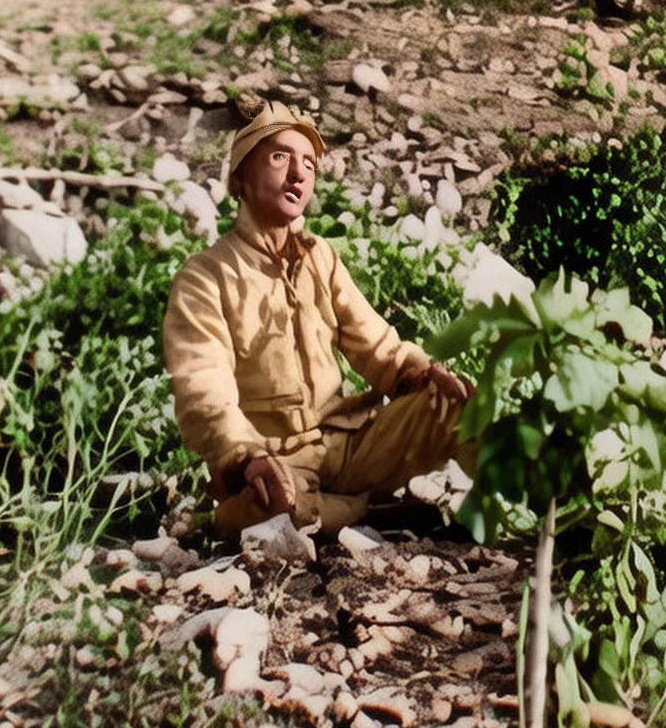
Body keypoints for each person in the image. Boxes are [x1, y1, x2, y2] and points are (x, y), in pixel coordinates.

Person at [163, 101, 474, 535]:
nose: (298, 174)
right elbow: (203, 390)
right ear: (240, 176)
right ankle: (367, 512)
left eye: (308, 164)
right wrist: (247, 458)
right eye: (280, 157)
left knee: (456, 404)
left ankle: (545, 511)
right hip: (276, 462)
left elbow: (379, 348)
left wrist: (422, 373)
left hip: (350, 447)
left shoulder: (320, 258)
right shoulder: (206, 276)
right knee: (274, 509)